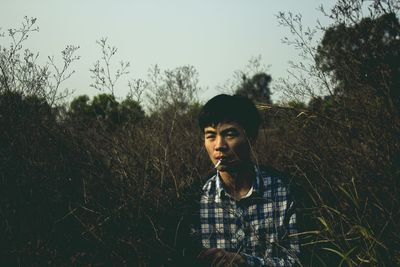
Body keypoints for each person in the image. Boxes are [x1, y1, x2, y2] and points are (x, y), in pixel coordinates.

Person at [194, 94, 300, 266]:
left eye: (229, 134)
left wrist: (246, 262)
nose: (219, 145)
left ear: (251, 137)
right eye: (211, 136)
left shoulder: (284, 190)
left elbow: (298, 261)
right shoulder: (195, 198)